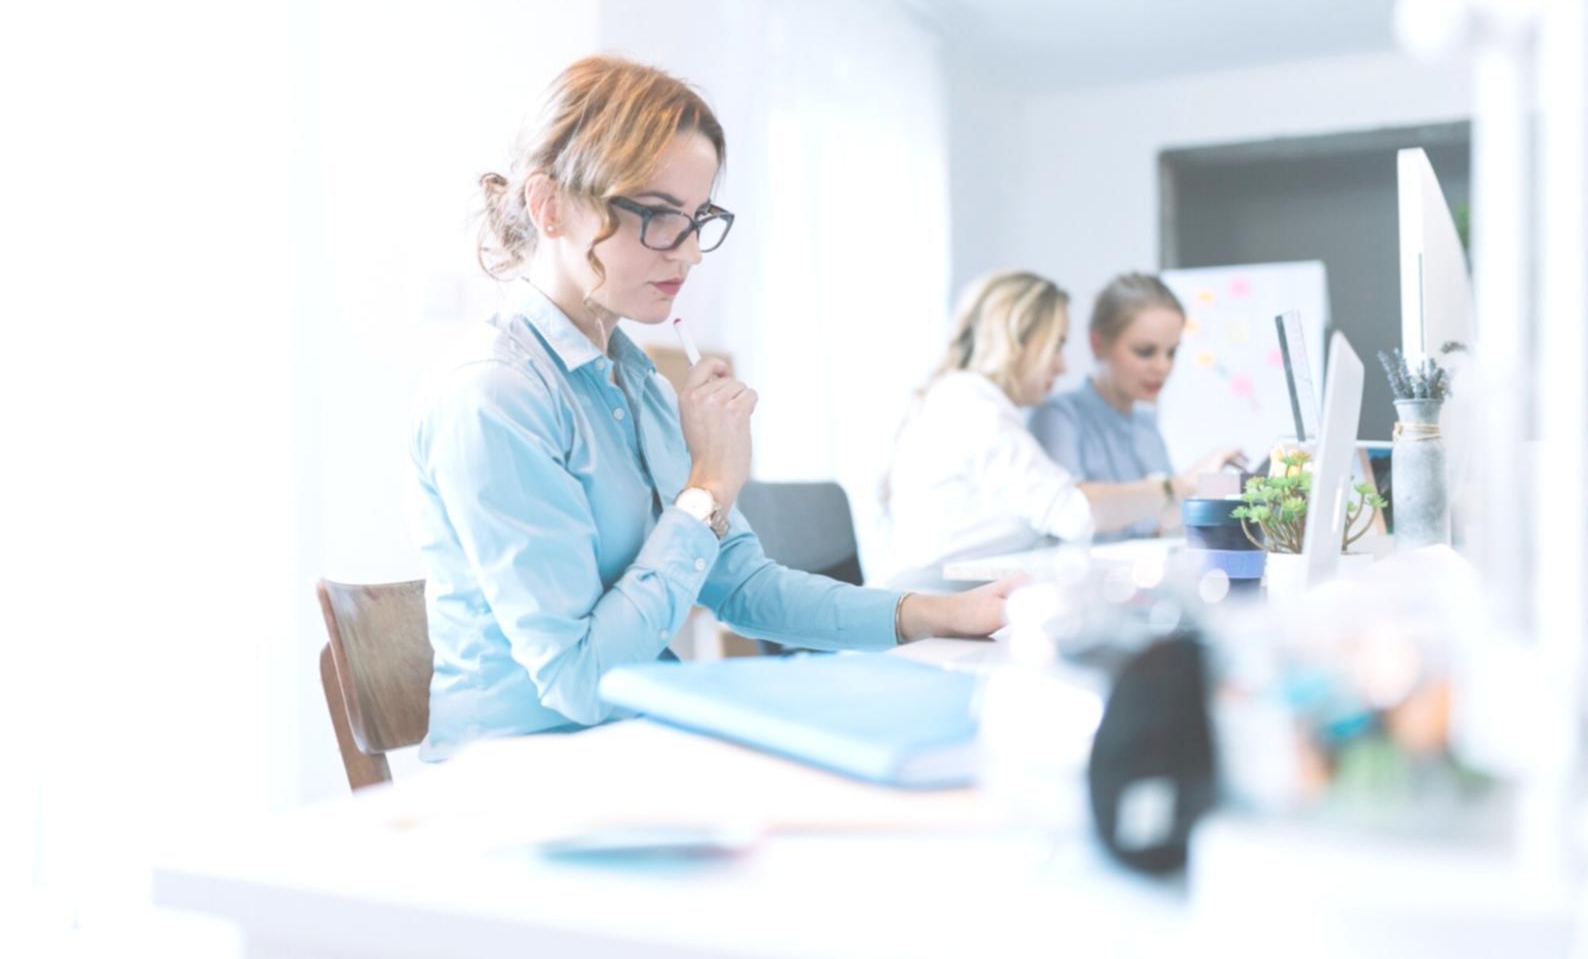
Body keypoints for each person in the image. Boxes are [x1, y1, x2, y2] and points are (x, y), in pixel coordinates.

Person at [408, 56, 1015, 759]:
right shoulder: (494, 395)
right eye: (660, 218)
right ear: (548, 207)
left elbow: (745, 587)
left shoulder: (634, 380)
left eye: (698, 220)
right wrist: (706, 492)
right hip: (515, 783)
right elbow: (580, 681)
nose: (691, 253)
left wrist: (938, 614)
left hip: (631, 751)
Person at [884, 270, 1203, 587]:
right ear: (1017, 342)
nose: (1062, 365)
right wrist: (1177, 488)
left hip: (958, 595)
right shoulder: (970, 405)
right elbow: (1073, 514)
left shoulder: (977, 403)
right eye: (1056, 345)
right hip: (930, 600)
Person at [1030, 272, 1243, 541]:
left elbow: (1161, 520)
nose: (1163, 367)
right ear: (1098, 344)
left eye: (1172, 352)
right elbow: (1071, 512)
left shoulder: (1146, 424)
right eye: (1145, 351)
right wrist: (1184, 483)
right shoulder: (1058, 417)